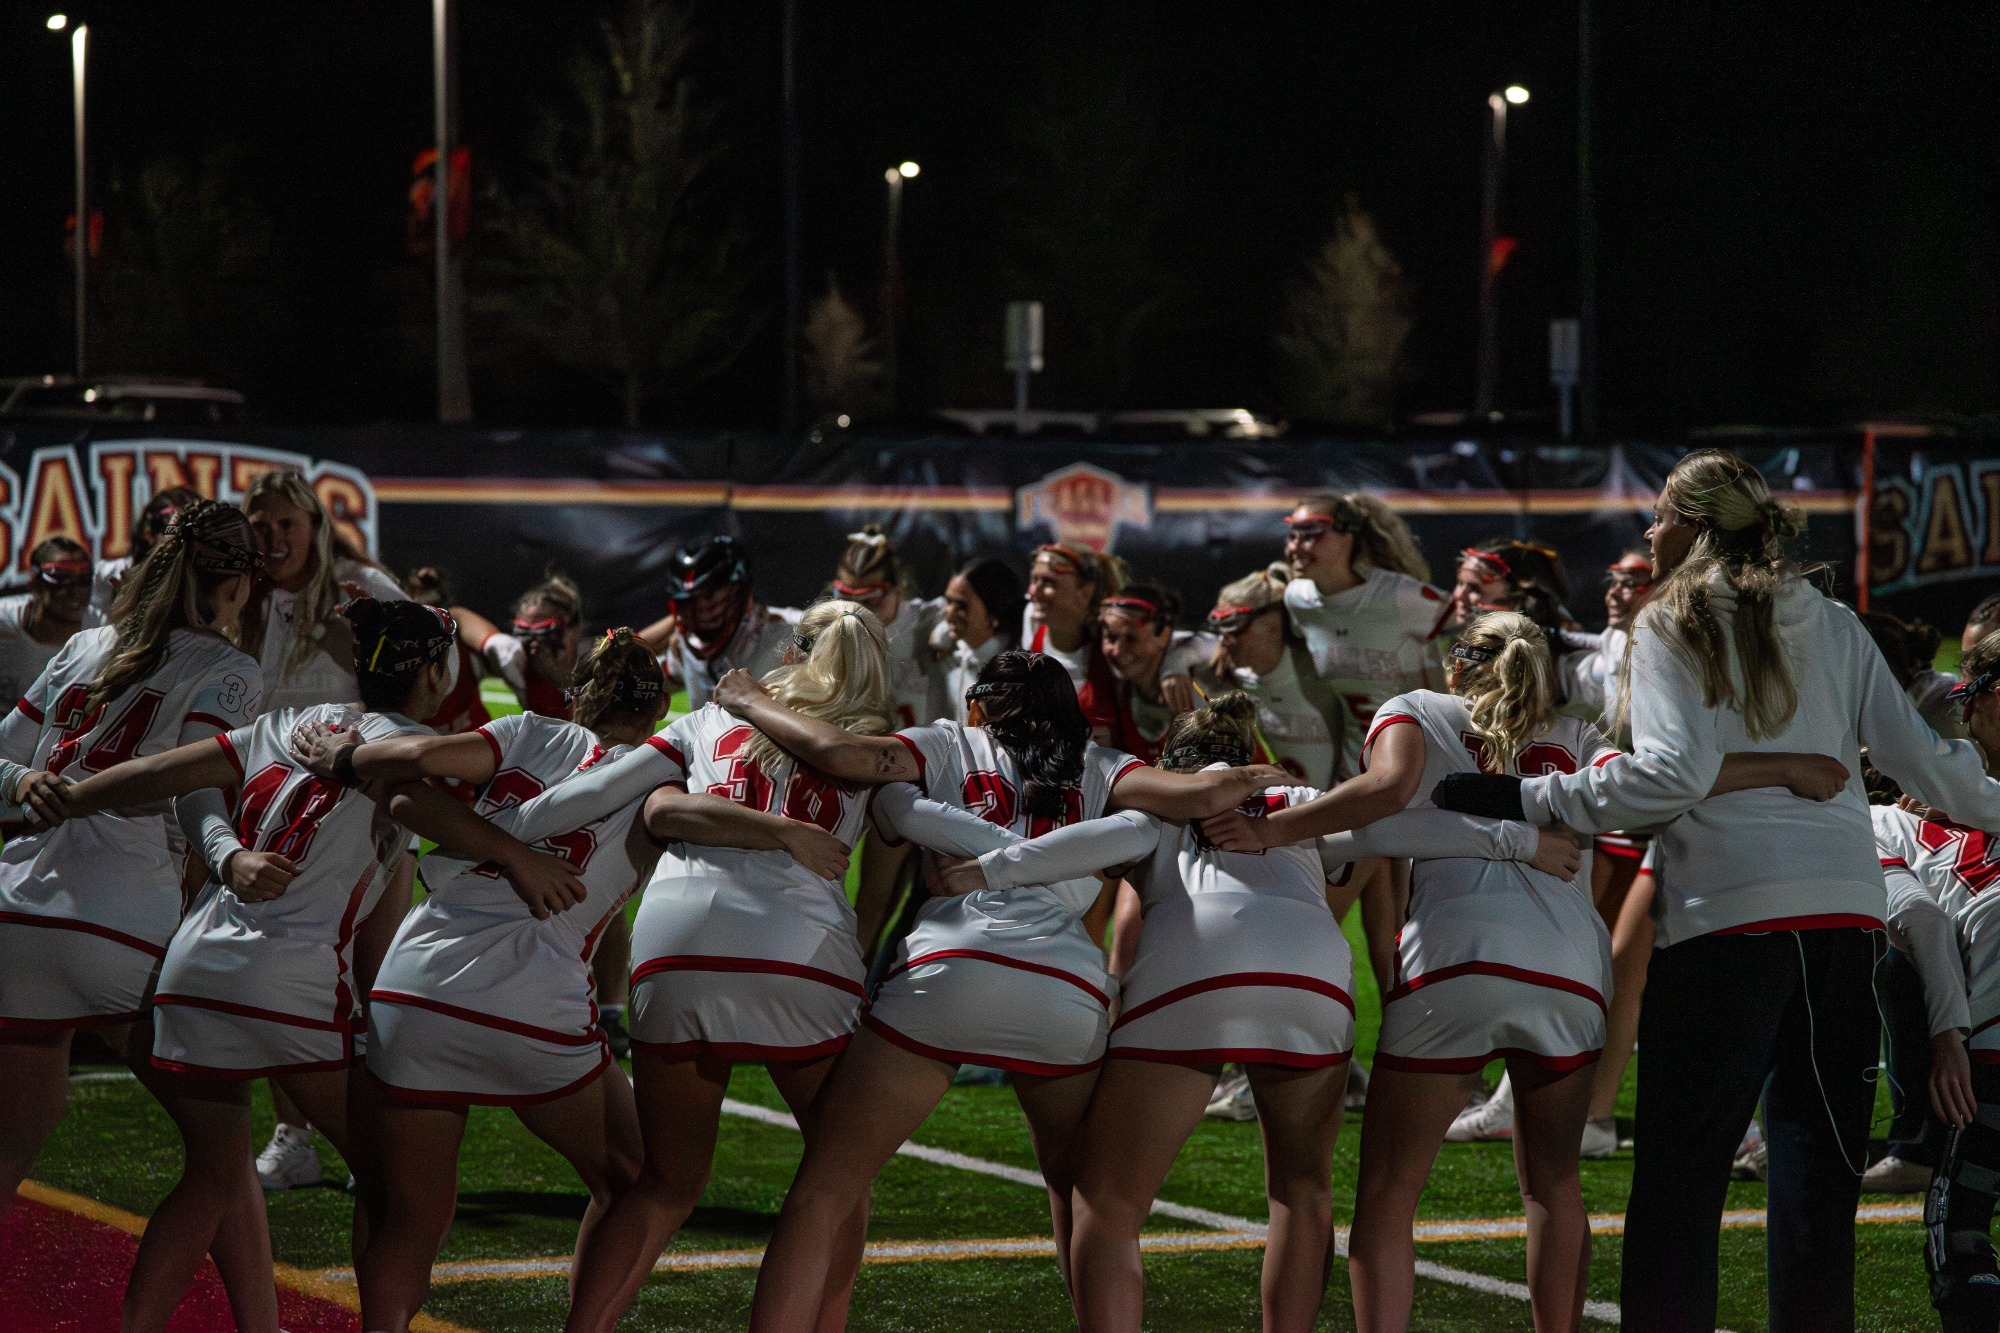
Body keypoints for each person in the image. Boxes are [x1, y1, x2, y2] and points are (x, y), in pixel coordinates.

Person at [1431, 448, 2000, 1331]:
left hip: (1728, 925)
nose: (1650, 534)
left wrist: (1527, 797)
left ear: (1694, 526)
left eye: (1658, 518)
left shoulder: (1673, 621)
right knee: (1817, 1196)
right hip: (1844, 924)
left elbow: (1666, 777)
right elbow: (1931, 767)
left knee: (1678, 1189)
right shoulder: (1837, 623)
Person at [38, 597, 586, 1333]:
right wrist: (515, 853)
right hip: (290, 982)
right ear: (434, 669)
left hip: (192, 971)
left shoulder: (287, 725)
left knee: (207, 1178)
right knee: (399, 1188)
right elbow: (414, 802)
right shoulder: (405, 747)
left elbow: (164, 771)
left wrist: (65, 797)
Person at [711, 649, 1294, 1331]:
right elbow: (1199, 795)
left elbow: (840, 754)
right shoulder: (1105, 765)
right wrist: (1259, 768)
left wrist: (748, 698)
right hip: (1064, 992)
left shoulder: (943, 741)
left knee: (824, 1188)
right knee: (1091, 1203)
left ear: (981, 704)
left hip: (949, 970)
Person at [1040, 690, 1579, 1333]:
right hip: (1311, 981)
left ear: (1170, 763)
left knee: (1107, 1203)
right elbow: (1401, 823)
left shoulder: (1151, 806)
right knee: (1301, 1193)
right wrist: (1524, 843)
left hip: (1189, 976)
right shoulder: (1300, 803)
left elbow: (1061, 855)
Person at [283, 630, 685, 1330]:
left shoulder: (530, 729)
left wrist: (348, 758)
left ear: (578, 692)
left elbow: (414, 770)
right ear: (660, 709)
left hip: (418, 982)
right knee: (640, 1179)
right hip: (533, 994)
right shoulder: (667, 773)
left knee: (405, 1211)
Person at [0, 502, 267, 1325]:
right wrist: (227, 858)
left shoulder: (84, 645)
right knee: (222, 1155)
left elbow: (8, 748)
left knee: (15, 1137)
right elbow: (190, 790)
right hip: (120, 926)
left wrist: (17, 785)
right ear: (235, 582)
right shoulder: (228, 668)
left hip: (14, 915)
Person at [1450, 547, 1658, 1153]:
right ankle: (1542, 1107)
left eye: (1635, 580)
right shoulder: (1601, 649)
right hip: (1613, 808)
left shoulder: (1663, 648)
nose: (1619, 589)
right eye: (1613, 578)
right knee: (1604, 967)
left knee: (1615, 968)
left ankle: (1576, 1112)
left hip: (1649, 813)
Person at [242, 468, 413, 1189]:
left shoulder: (360, 585)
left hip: (360, 807)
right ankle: (294, 1135)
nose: (275, 537)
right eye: (262, 524)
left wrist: (362, 659)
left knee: (376, 980)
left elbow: (432, 661)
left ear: (315, 523)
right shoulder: (238, 593)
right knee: (287, 980)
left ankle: (388, 1134)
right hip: (270, 806)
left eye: (288, 522)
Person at [637, 535, 798, 710]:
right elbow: (635, 680)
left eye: (709, 596)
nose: (700, 611)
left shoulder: (790, 630)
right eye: (688, 602)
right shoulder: (684, 645)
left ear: (743, 592)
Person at [0, 536, 97, 711]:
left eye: (83, 578)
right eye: (60, 579)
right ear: (35, 584)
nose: (75, 591)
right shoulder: (5, 623)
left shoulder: (101, 632)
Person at [91, 485, 202, 624]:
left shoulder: (210, 572)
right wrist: (127, 600)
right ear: (149, 534)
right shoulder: (112, 574)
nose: (189, 538)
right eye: (176, 529)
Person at [938, 557, 1024, 726]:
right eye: (948, 601)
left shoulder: (1014, 675)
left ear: (993, 614)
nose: (949, 613)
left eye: (962, 606)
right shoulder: (951, 656)